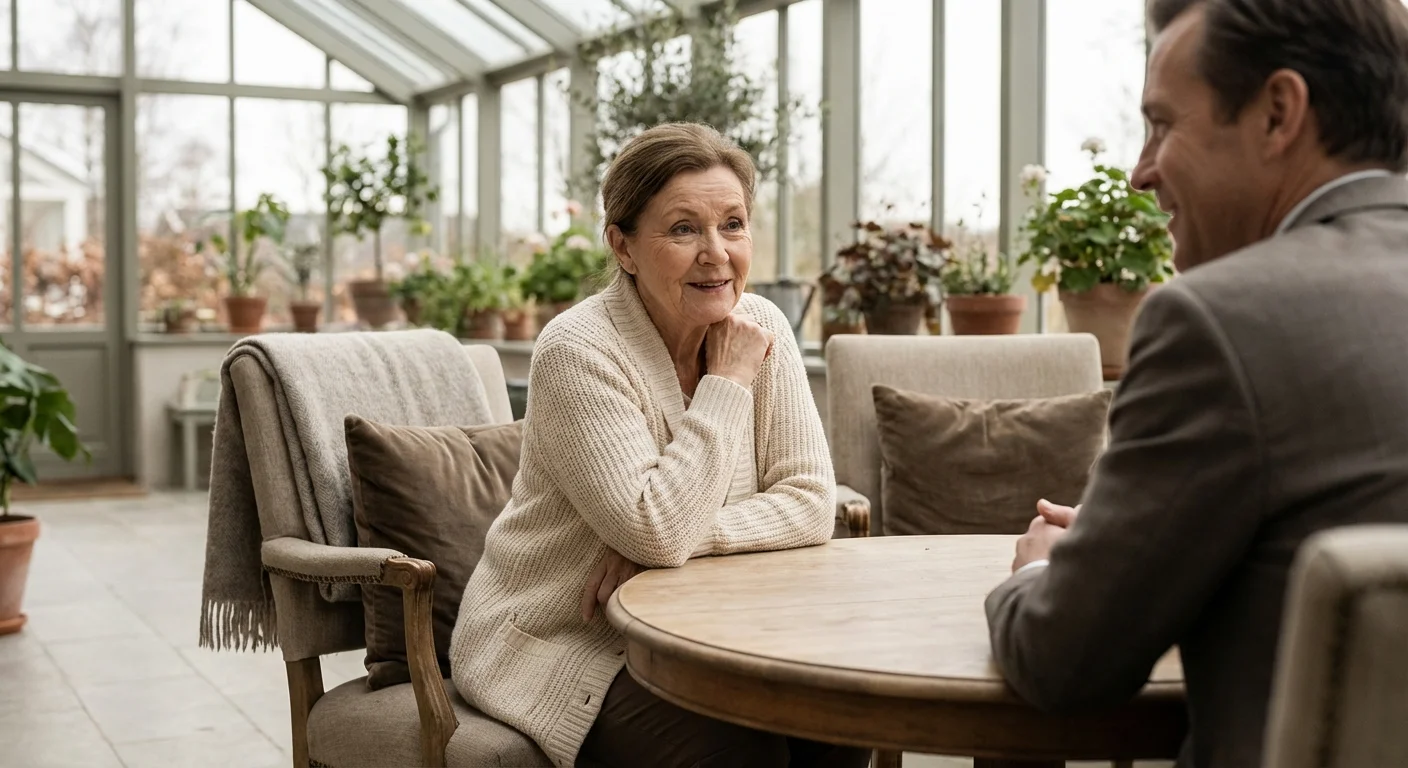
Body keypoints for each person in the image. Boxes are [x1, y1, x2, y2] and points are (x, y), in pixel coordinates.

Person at [984, 1, 1408, 766]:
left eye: (1161, 124)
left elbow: (1063, 660)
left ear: (1278, 112)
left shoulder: (1217, 320)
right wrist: (1133, 538)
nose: (1142, 169)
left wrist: (1044, 568)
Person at [449, 122, 868, 768]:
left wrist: (686, 539)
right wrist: (727, 383)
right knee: (736, 751)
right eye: (683, 229)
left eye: (733, 224)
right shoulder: (577, 350)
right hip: (563, 638)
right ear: (623, 246)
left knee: (838, 723)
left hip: (712, 631)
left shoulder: (764, 327)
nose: (716, 253)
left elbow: (811, 502)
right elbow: (655, 528)